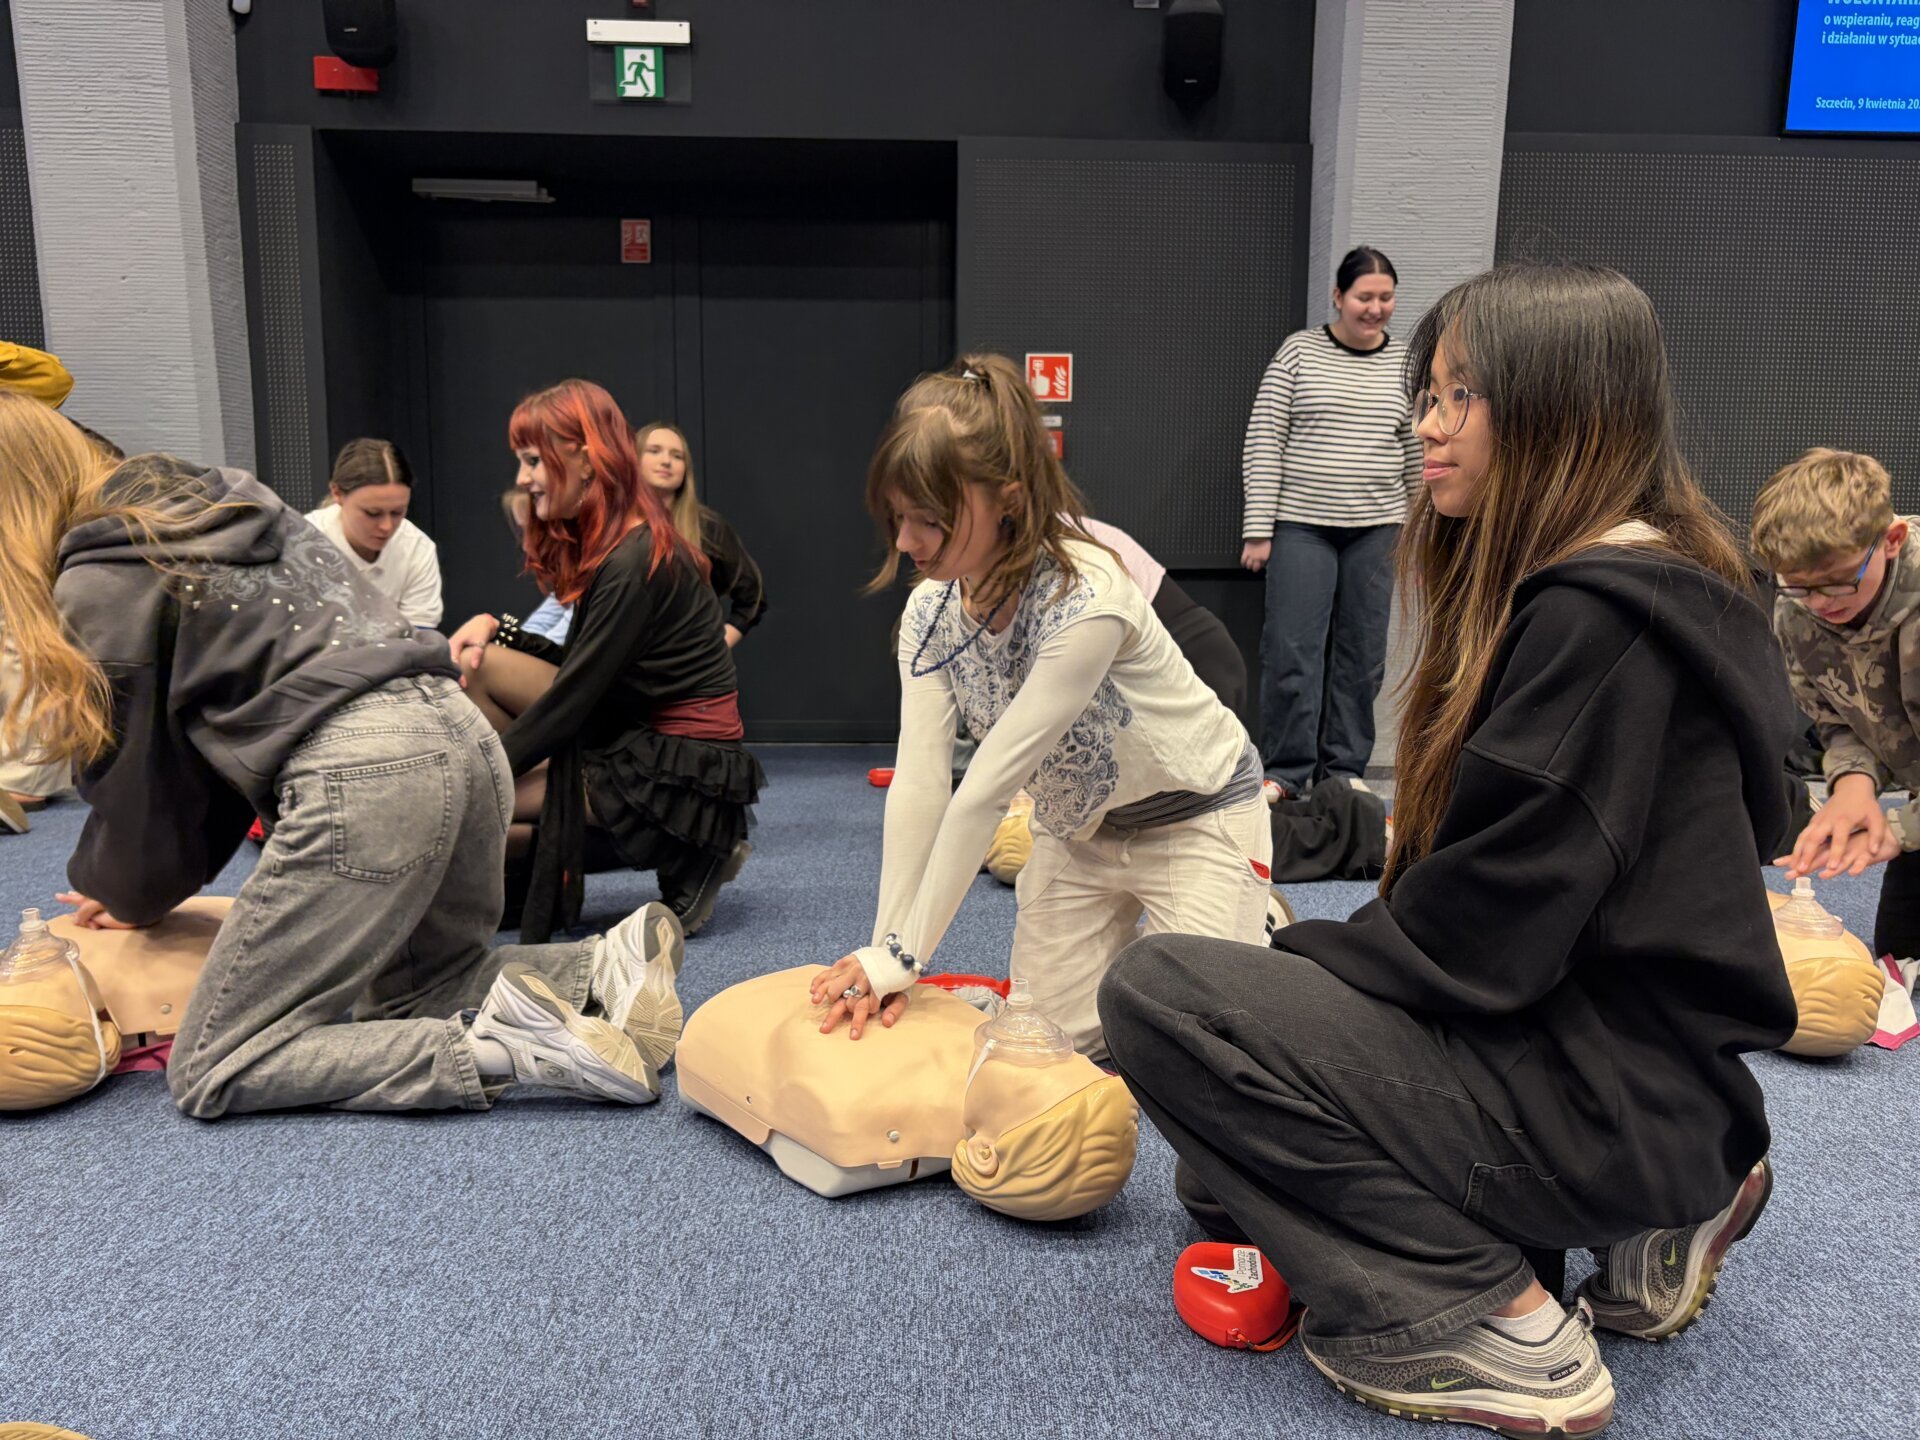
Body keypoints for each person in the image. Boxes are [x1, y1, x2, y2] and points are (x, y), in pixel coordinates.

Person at [1100, 265, 1797, 1435]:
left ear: (1559, 407)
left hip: (1593, 1097)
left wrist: (1290, 970)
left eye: (1459, 395)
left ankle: (1494, 1322)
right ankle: (1658, 1214)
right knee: (1215, 1176)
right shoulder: (1673, 587)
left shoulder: (1594, 622)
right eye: (1426, 393)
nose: (1426, 423)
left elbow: (1478, 939)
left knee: (1165, 1000)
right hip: (1649, 1089)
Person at [0, 391, 687, 1116]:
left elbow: (143, 785)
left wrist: (126, 893)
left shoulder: (99, 579)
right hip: (462, 736)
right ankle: (597, 969)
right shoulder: (235, 503)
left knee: (216, 1063)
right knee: (420, 987)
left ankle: (502, 1047)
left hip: (367, 771)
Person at [807, 354, 1272, 1060]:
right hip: (1077, 833)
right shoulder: (929, 613)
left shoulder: (1086, 597)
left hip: (1197, 817)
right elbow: (923, 783)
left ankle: (1257, 920)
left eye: (928, 519)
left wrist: (906, 957)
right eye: (897, 516)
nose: (905, 542)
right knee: (1037, 1053)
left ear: (1010, 500)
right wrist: (889, 951)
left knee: (1202, 1055)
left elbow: (985, 791)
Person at [448, 381, 761, 942]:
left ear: (587, 460)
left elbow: (571, 702)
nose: (523, 478)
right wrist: (498, 625)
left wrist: (463, 778)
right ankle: (523, 869)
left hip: (679, 771)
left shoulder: (633, 558)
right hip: (632, 728)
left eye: (533, 461)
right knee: (483, 667)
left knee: (480, 802)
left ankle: (690, 849)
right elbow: (580, 668)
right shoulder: (621, 544)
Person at [1241, 246, 1419, 796]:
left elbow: (1417, 451)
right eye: (1365, 297)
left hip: (1378, 529)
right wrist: (1258, 529)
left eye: (1385, 297)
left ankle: (1344, 774)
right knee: (1292, 653)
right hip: (1302, 527)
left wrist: (1422, 533)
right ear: (1338, 297)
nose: (1375, 308)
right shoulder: (1299, 352)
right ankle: (1286, 773)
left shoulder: (1406, 364)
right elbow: (1265, 439)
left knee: (1362, 658)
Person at [1754, 449, 1920, 956]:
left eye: (1837, 580)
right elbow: (1840, 718)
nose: (1821, 602)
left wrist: (1899, 828)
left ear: (1892, 540)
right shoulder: (1798, 614)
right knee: (1897, 958)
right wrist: (1852, 786)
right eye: (1799, 586)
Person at [637, 422, 768, 648]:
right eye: (654, 451)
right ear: (634, 459)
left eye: (677, 456)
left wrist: (715, 650)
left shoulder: (707, 527)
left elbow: (753, 598)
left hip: (691, 666)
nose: (666, 461)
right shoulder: (612, 525)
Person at [305, 438, 444, 629]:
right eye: (372, 513)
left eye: (397, 512)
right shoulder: (303, 544)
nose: (387, 526)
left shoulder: (416, 549)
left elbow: (419, 635)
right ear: (337, 493)